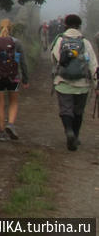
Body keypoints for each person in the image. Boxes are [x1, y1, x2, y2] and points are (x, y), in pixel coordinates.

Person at [50, 13, 98, 151]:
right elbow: (94, 65)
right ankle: (75, 136)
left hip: (63, 82)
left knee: (66, 110)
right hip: (82, 84)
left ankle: (68, 131)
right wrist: (97, 84)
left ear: (65, 25)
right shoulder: (85, 42)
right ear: (79, 26)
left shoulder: (59, 40)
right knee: (78, 111)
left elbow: (54, 60)